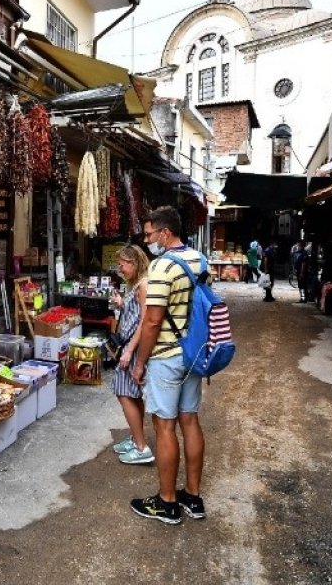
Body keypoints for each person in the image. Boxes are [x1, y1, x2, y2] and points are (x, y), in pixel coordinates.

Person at [129, 206, 207, 525]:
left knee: (164, 425)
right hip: (194, 353)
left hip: (167, 356)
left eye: (149, 234)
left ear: (165, 233)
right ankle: (192, 496)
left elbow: (151, 322)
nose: (147, 240)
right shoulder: (199, 260)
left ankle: (167, 502)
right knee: (190, 420)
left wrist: (140, 362)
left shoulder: (161, 267)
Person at [109, 245, 152, 465]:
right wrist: (122, 304)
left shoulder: (143, 284)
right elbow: (136, 313)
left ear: (135, 263)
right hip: (131, 347)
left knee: (123, 393)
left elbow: (145, 322)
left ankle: (141, 447)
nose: (121, 268)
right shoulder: (136, 284)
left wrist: (129, 351)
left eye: (123, 264)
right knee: (132, 395)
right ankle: (137, 438)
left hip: (133, 349)